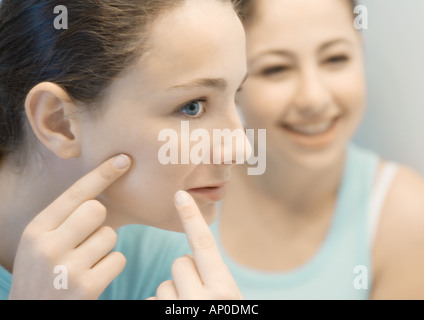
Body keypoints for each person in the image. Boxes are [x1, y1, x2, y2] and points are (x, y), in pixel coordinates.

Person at [0, 0, 247, 300]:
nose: (241, 149)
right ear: (59, 122)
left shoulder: (162, 262)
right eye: (192, 107)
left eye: (236, 96)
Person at [211, 0, 424, 299]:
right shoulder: (176, 192)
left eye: (335, 59)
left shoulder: (406, 217)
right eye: (276, 68)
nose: (313, 97)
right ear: (229, 79)